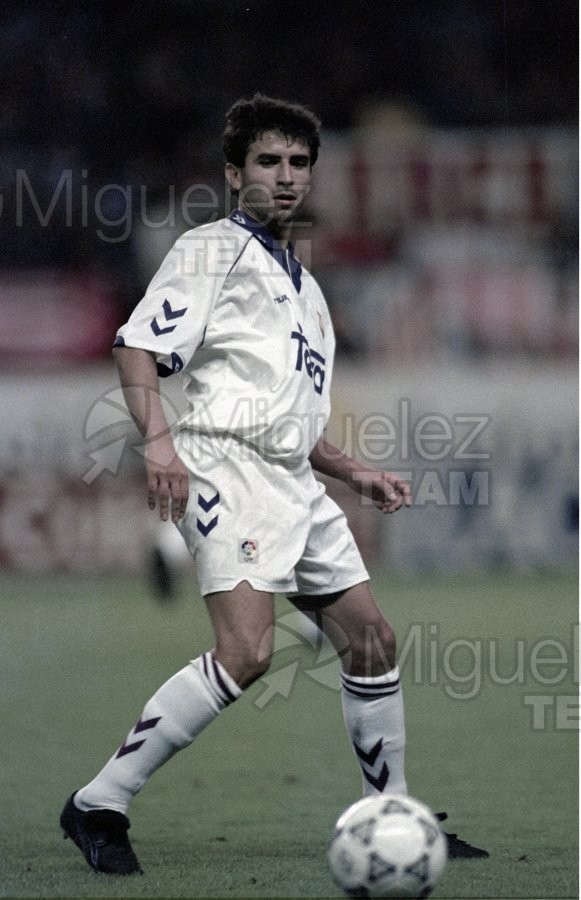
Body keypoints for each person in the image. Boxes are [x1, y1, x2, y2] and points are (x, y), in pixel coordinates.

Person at [60, 94, 488, 874]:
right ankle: (99, 802)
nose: (285, 175)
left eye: (298, 162)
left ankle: (390, 815)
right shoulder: (210, 250)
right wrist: (159, 442)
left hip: (292, 479)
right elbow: (134, 347)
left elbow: (288, 417)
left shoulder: (306, 291)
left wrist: (354, 470)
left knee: (370, 639)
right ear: (234, 174)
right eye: (268, 161)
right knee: (247, 651)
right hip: (225, 465)